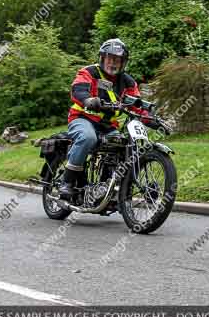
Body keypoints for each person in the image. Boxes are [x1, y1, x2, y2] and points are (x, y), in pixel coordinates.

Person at [57, 39, 144, 201]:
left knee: (124, 145)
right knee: (88, 137)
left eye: (118, 60)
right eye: (110, 58)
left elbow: (136, 104)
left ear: (123, 63)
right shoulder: (89, 72)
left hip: (108, 125)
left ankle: (106, 187)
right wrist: (88, 100)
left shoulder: (127, 81)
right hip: (82, 118)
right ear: (102, 58)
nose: (113, 63)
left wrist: (150, 117)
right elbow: (78, 89)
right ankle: (66, 182)